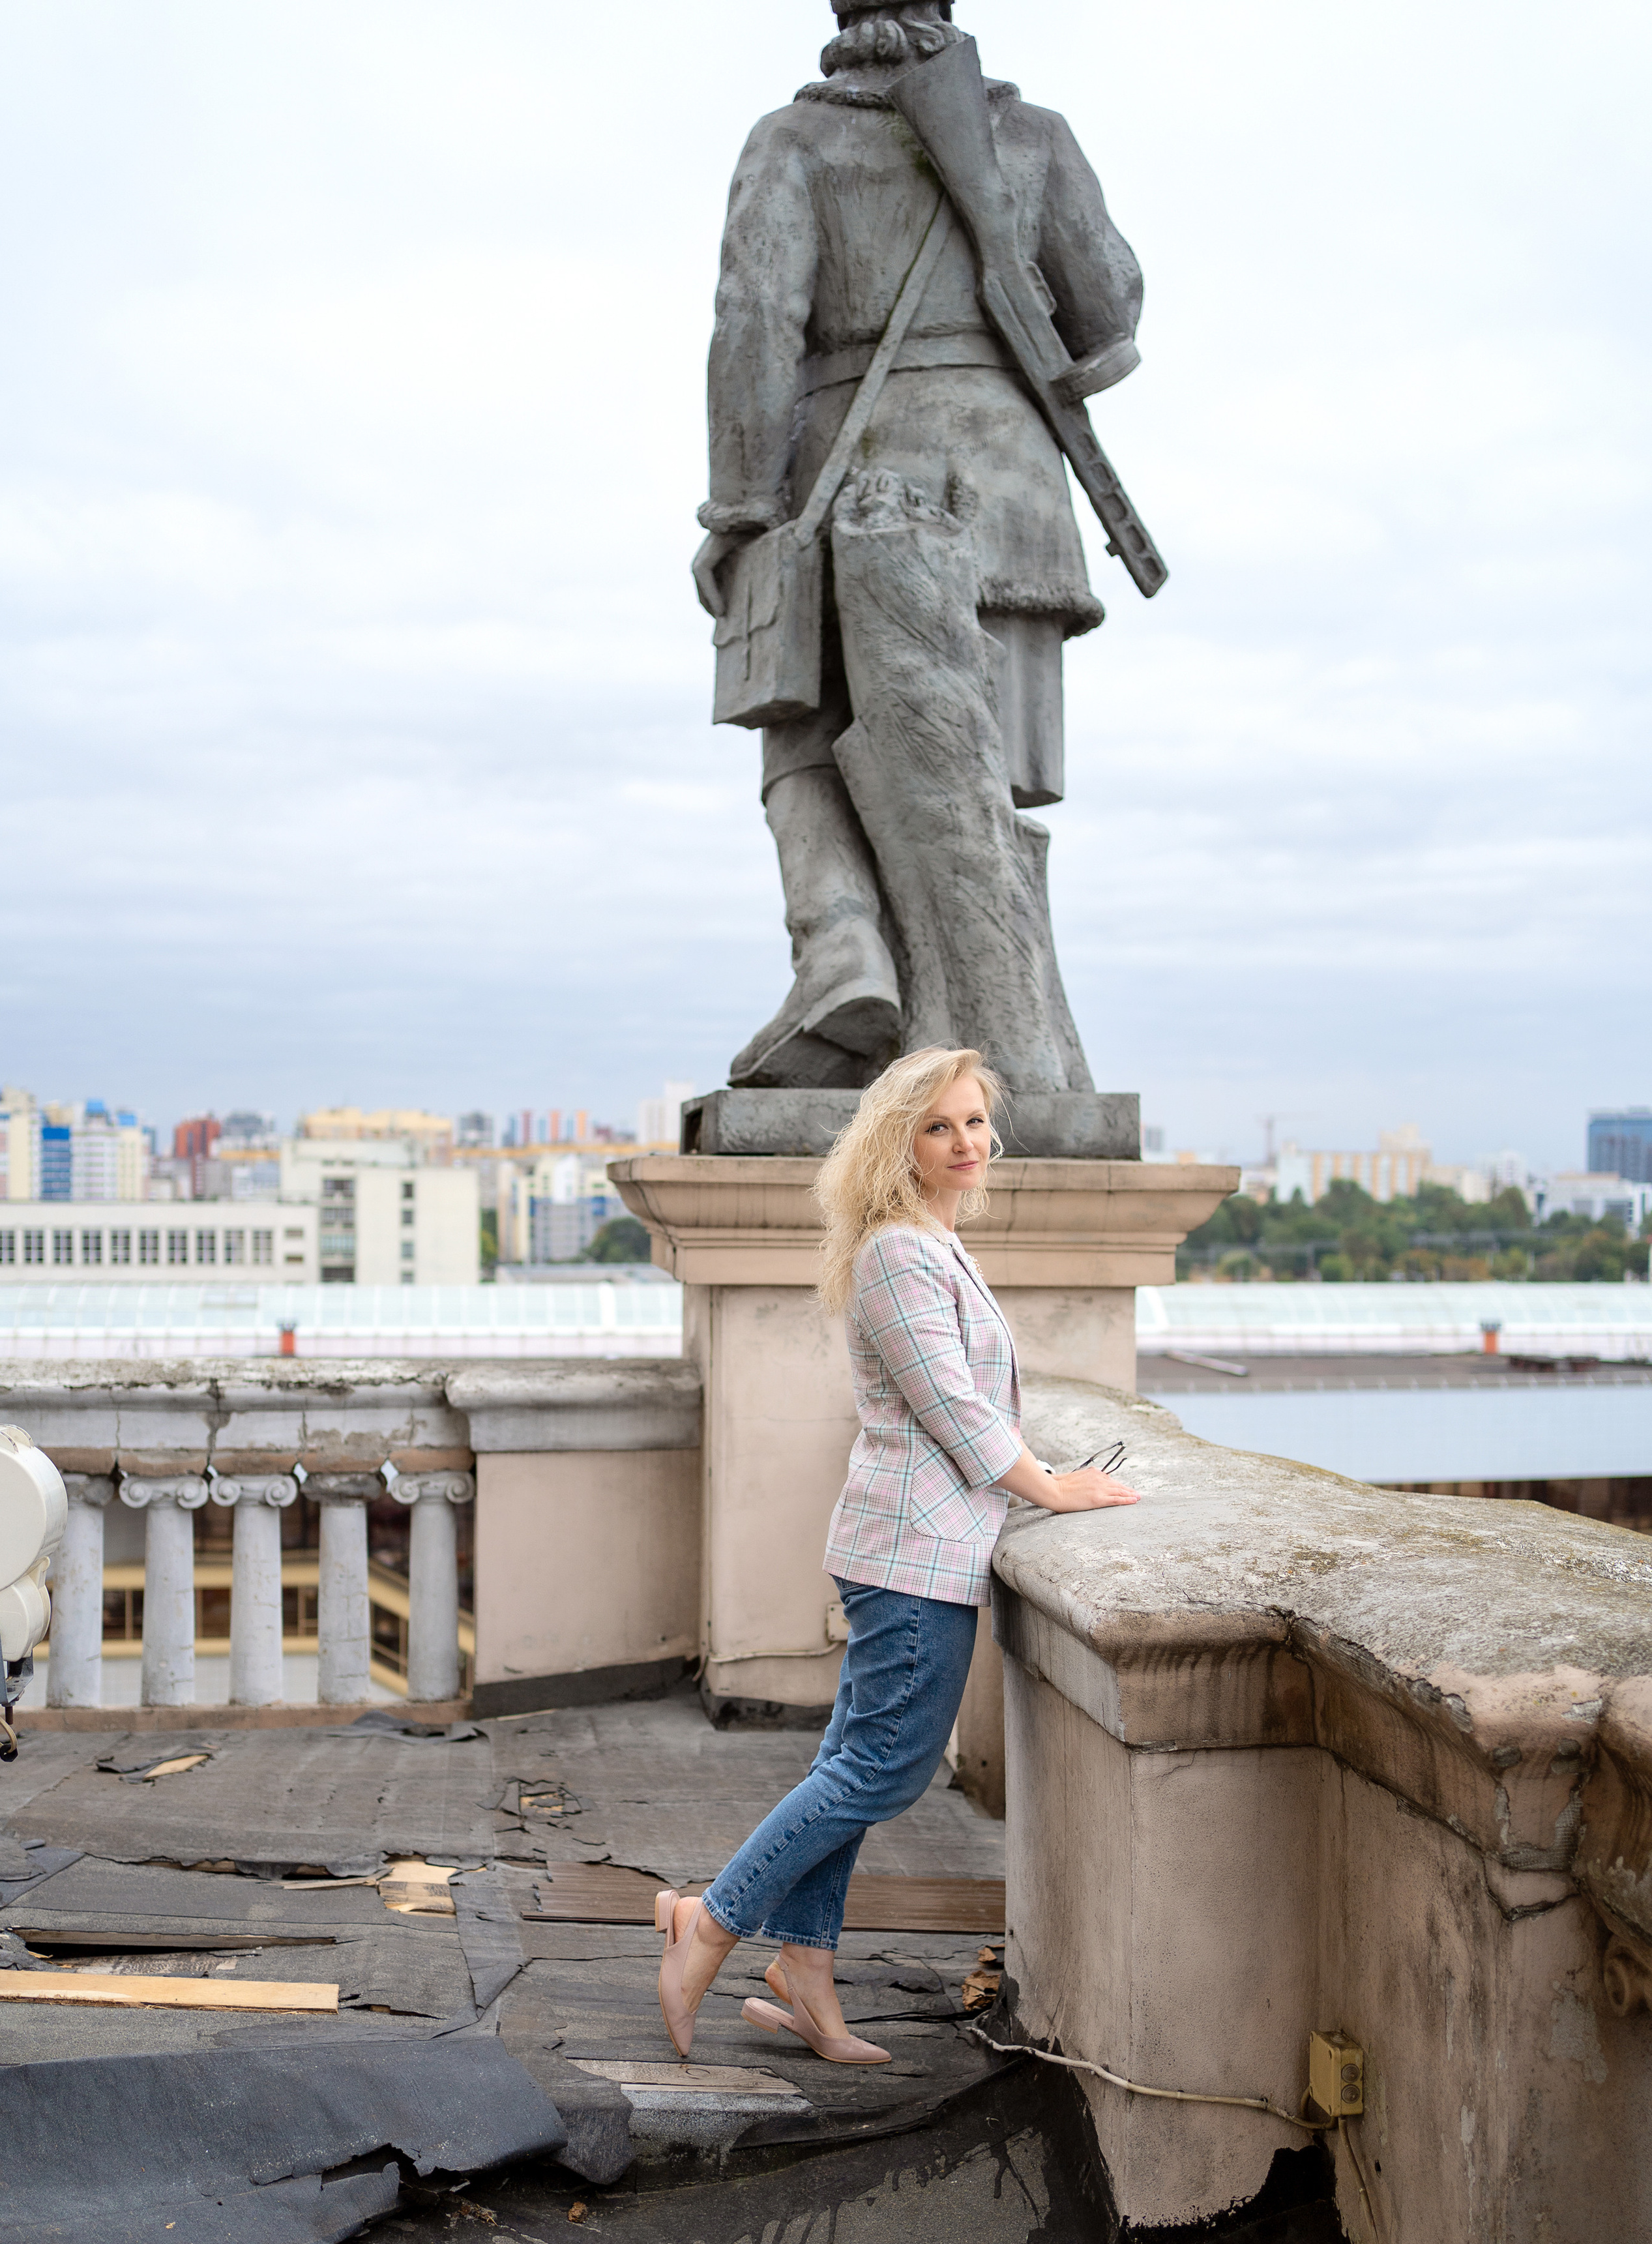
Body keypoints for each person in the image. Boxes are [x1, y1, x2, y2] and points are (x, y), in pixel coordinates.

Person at [655, 1045, 1138, 2063]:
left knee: (851, 1766)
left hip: (913, 1546)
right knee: (881, 1773)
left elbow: (964, 1401)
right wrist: (1052, 1489)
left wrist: (1043, 1472)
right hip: (912, 1556)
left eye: (975, 1122)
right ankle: (709, 1921)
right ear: (899, 1144)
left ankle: (804, 1972)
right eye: (939, 1126)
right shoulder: (900, 1255)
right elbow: (953, 1407)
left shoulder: (930, 1243)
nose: (966, 1143)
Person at [694, 1, 1144, 1091]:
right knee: (984, 788)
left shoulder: (794, 141)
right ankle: (988, 1041)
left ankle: (843, 947)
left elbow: (755, 323)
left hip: (850, 486)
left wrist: (739, 510)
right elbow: (1111, 314)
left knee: (800, 732)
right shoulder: (1033, 136)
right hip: (1014, 502)